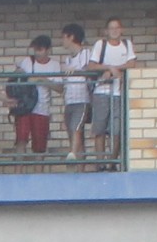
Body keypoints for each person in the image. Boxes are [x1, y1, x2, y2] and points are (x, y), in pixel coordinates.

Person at [85, 16, 136, 162]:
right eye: (111, 28)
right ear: (106, 31)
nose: (114, 31)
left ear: (121, 30)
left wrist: (115, 70)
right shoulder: (100, 45)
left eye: (117, 28)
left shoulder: (127, 44)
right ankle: (101, 163)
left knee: (117, 130)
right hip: (101, 92)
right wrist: (109, 68)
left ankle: (113, 162)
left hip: (119, 93)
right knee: (99, 129)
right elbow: (91, 65)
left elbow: (132, 64)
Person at [10, 35, 57, 156]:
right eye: (35, 50)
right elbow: (14, 81)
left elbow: (60, 88)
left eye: (40, 50)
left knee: (40, 144)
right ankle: (18, 172)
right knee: (21, 139)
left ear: (48, 50)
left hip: (42, 108)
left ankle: (39, 173)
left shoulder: (54, 65)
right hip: (25, 107)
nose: (37, 53)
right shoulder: (26, 61)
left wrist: (41, 79)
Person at [57, 21, 94, 160]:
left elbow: (91, 70)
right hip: (69, 101)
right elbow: (62, 86)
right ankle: (80, 168)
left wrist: (76, 70)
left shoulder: (86, 53)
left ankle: (72, 154)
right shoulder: (67, 60)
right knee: (74, 134)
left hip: (82, 99)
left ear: (71, 37)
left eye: (63, 37)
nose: (62, 41)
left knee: (76, 128)